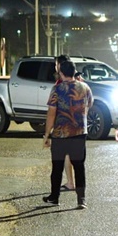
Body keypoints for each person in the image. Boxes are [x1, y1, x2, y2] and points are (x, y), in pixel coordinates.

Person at [42, 59, 92, 209]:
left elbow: (51, 113)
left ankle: (54, 197)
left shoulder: (57, 89)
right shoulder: (84, 87)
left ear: (61, 73)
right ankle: (81, 200)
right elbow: (90, 103)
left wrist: (47, 134)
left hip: (60, 135)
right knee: (79, 167)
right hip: (79, 133)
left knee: (57, 167)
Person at [54, 54, 80, 191]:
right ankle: (75, 186)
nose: (55, 67)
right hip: (79, 125)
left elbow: (54, 108)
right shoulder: (80, 83)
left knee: (66, 155)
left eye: (57, 64)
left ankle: (70, 182)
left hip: (65, 125)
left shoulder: (60, 85)